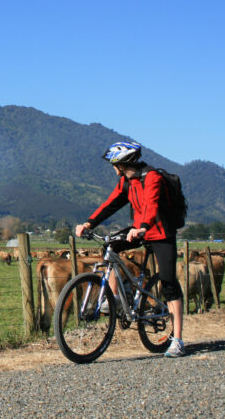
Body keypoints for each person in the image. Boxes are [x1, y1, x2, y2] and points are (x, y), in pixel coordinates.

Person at [75, 141, 185, 357]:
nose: (113, 169)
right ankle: (114, 296)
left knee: (168, 282)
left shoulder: (152, 177)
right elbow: (111, 204)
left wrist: (142, 227)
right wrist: (89, 223)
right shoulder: (126, 181)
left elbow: (152, 205)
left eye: (114, 164)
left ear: (123, 163)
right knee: (111, 245)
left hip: (160, 232)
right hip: (139, 229)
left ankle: (178, 340)